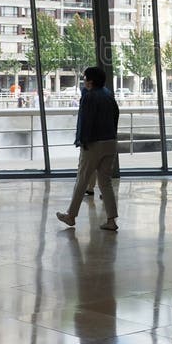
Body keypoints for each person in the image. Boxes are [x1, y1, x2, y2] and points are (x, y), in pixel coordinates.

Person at [56, 66, 120, 231]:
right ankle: (111, 220)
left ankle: (71, 216)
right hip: (110, 142)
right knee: (105, 182)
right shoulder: (108, 95)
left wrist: (82, 141)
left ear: (90, 81)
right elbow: (115, 116)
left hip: (93, 144)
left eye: (84, 78)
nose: (83, 81)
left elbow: (85, 121)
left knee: (82, 179)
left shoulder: (89, 97)